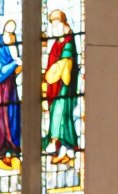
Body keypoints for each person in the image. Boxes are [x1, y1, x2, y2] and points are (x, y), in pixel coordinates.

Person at [43, 8, 80, 166]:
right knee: (57, 112)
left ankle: (62, 144)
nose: (53, 27)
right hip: (56, 86)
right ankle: (63, 148)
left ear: (61, 22)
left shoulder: (68, 39)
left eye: (54, 23)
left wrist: (56, 72)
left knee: (62, 112)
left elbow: (68, 62)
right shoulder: (58, 42)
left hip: (65, 86)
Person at [0, 19, 22, 168]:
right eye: (9, 34)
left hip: (11, 88)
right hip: (2, 91)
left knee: (14, 115)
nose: (11, 38)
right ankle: (2, 149)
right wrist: (15, 64)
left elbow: (15, 67)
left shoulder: (11, 47)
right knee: (4, 118)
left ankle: (14, 147)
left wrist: (16, 65)